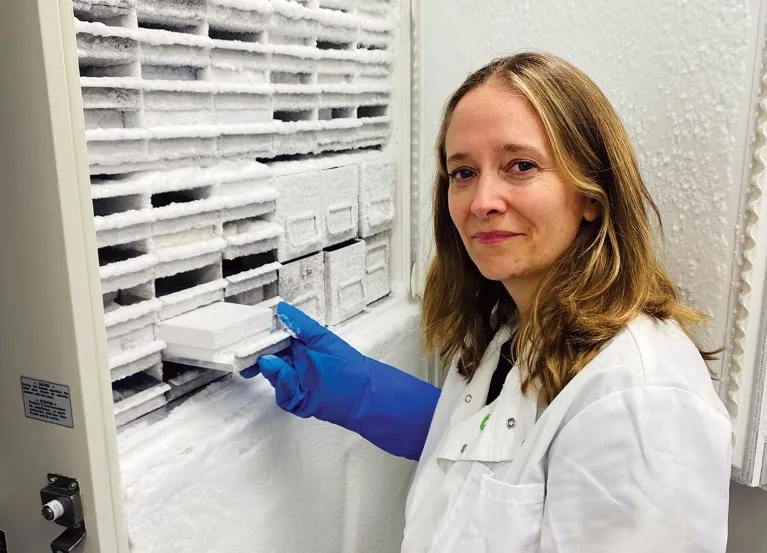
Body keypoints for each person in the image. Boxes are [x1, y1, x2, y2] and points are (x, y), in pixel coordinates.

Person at [240, 52, 732, 552]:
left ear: (591, 195)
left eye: (520, 166)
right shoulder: (512, 328)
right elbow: (513, 465)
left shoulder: (639, 397)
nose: (481, 202)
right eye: (463, 173)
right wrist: (368, 395)